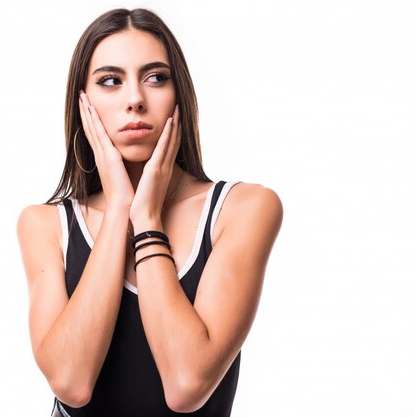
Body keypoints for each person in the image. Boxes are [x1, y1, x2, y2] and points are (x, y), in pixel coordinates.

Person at [16, 8, 283, 417]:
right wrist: (121, 205)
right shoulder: (45, 225)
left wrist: (147, 220)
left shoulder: (243, 210)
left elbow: (186, 385)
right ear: (82, 103)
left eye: (156, 77)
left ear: (180, 95)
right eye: (110, 81)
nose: (135, 99)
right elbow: (71, 382)